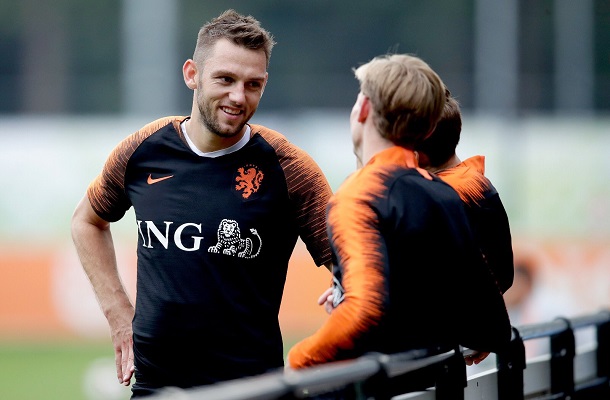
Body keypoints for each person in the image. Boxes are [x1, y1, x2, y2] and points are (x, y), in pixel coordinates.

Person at [71, 9, 333, 397]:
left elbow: (354, 263)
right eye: (225, 79)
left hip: (252, 390)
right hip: (155, 388)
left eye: (253, 84)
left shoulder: (288, 167)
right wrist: (118, 314)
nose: (238, 97)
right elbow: (86, 222)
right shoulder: (144, 150)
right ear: (192, 74)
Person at [286, 54, 511, 391]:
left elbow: (364, 312)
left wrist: (296, 364)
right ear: (429, 128)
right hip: (440, 384)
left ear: (363, 109)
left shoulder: (361, 194)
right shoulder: (444, 193)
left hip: (374, 387)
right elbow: (490, 324)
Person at [415, 88, 515, 367]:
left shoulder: (443, 196)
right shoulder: (476, 183)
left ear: (419, 153)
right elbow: (502, 273)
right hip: (457, 342)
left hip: (432, 349)